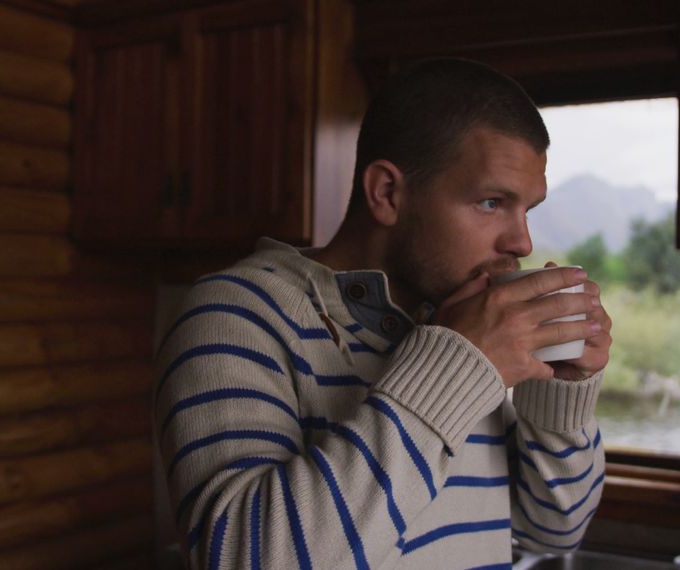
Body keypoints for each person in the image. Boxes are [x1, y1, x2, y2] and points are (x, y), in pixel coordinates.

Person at [153, 58, 613, 569]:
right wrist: (457, 364)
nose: (521, 241)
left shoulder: (452, 325)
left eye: (527, 209)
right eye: (490, 202)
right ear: (387, 193)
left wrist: (557, 397)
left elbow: (554, 530)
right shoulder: (235, 315)